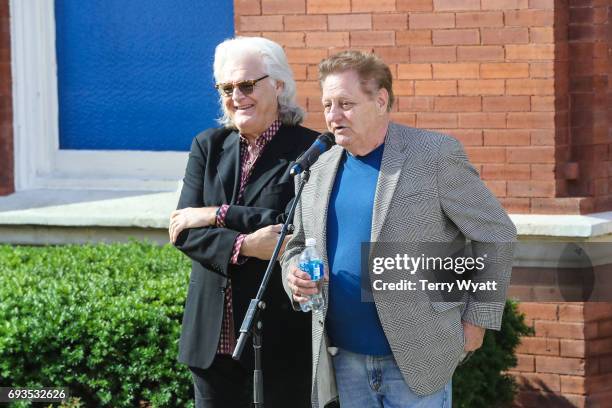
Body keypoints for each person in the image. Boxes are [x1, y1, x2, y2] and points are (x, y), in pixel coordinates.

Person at [282, 50, 516, 408]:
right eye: (327, 105)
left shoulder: (434, 154)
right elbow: (296, 244)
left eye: (346, 103)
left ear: (380, 100)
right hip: (344, 357)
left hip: (418, 357)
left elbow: (495, 233)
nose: (333, 116)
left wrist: (477, 320)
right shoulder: (317, 167)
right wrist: (293, 274)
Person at [169, 36, 316, 408]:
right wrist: (246, 244)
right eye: (227, 87)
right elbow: (184, 231)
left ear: (279, 85)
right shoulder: (208, 145)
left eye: (247, 85)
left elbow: (293, 224)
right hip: (210, 342)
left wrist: (218, 214)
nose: (237, 96)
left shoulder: (312, 149)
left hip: (281, 342)